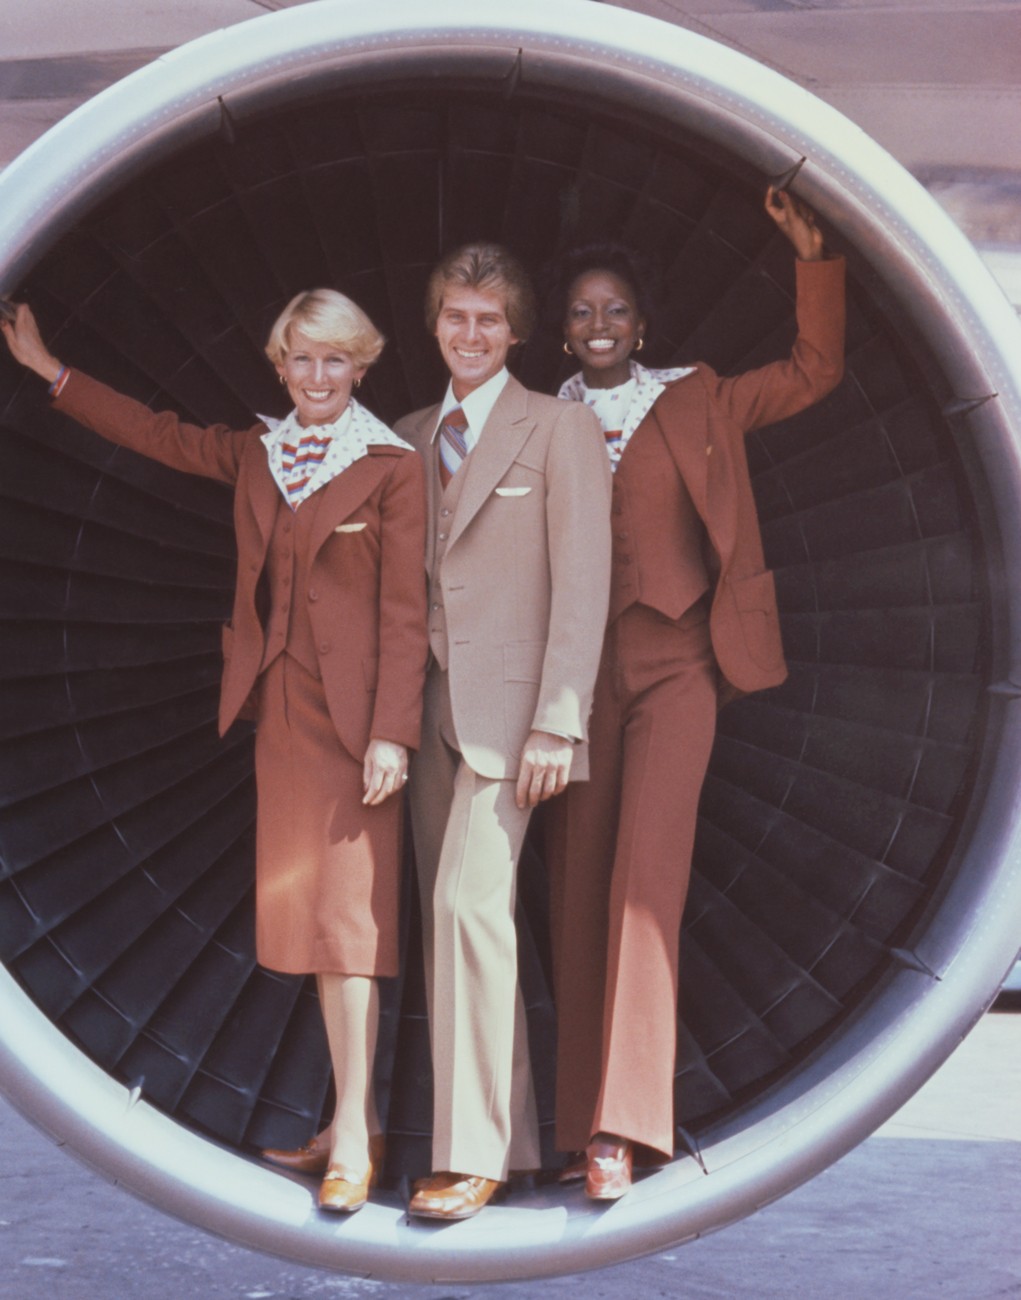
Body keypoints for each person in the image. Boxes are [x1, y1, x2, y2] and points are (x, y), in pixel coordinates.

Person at [0, 291, 428, 1214]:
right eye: (301, 360)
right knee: (318, 929)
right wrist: (50, 372)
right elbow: (157, 435)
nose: (317, 378)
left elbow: (406, 613)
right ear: (280, 367)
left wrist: (394, 730)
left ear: (362, 367)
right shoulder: (259, 454)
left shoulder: (393, 466)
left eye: (335, 361)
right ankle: (346, 1120)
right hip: (282, 719)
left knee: (351, 930)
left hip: (355, 730)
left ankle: (355, 1130)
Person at [546, 186, 846, 1199]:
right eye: (582, 310)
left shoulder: (701, 396)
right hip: (576, 682)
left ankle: (619, 1132)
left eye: (616, 309)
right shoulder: (538, 421)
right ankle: (572, 1116)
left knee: (645, 888)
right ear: (561, 326)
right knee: (578, 889)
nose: (600, 325)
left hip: (678, 665)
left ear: (644, 320)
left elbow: (815, 371)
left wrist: (812, 260)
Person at [395, 242, 612, 1220]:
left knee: (468, 912)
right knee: (454, 931)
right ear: (433, 325)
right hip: (424, 716)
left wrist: (557, 723)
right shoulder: (405, 436)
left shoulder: (560, 429)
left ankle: (472, 1155)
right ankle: (503, 1141)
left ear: (516, 332)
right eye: (455, 316)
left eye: (488, 320)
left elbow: (583, 582)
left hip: (513, 721)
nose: (470, 334)